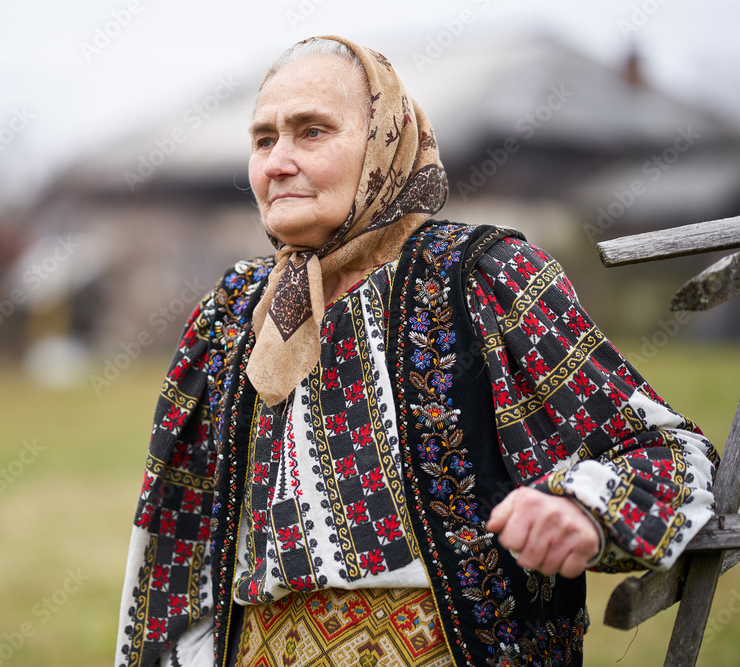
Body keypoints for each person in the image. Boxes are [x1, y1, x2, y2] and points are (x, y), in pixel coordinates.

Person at [115, 36, 719, 667]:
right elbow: (174, 557)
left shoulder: (484, 277)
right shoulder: (233, 314)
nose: (276, 163)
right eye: (263, 140)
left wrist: (585, 508)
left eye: (312, 132)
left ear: (386, 142)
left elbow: (673, 452)